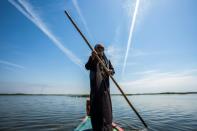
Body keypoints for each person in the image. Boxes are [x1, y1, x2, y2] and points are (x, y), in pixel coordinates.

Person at [85, 43, 115, 131]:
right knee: (96, 109)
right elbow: (87, 66)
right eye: (98, 48)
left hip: (105, 89)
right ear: (95, 49)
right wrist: (93, 58)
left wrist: (110, 71)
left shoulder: (107, 61)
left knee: (106, 109)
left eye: (102, 49)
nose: (100, 50)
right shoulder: (92, 58)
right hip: (95, 89)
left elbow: (113, 71)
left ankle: (107, 127)